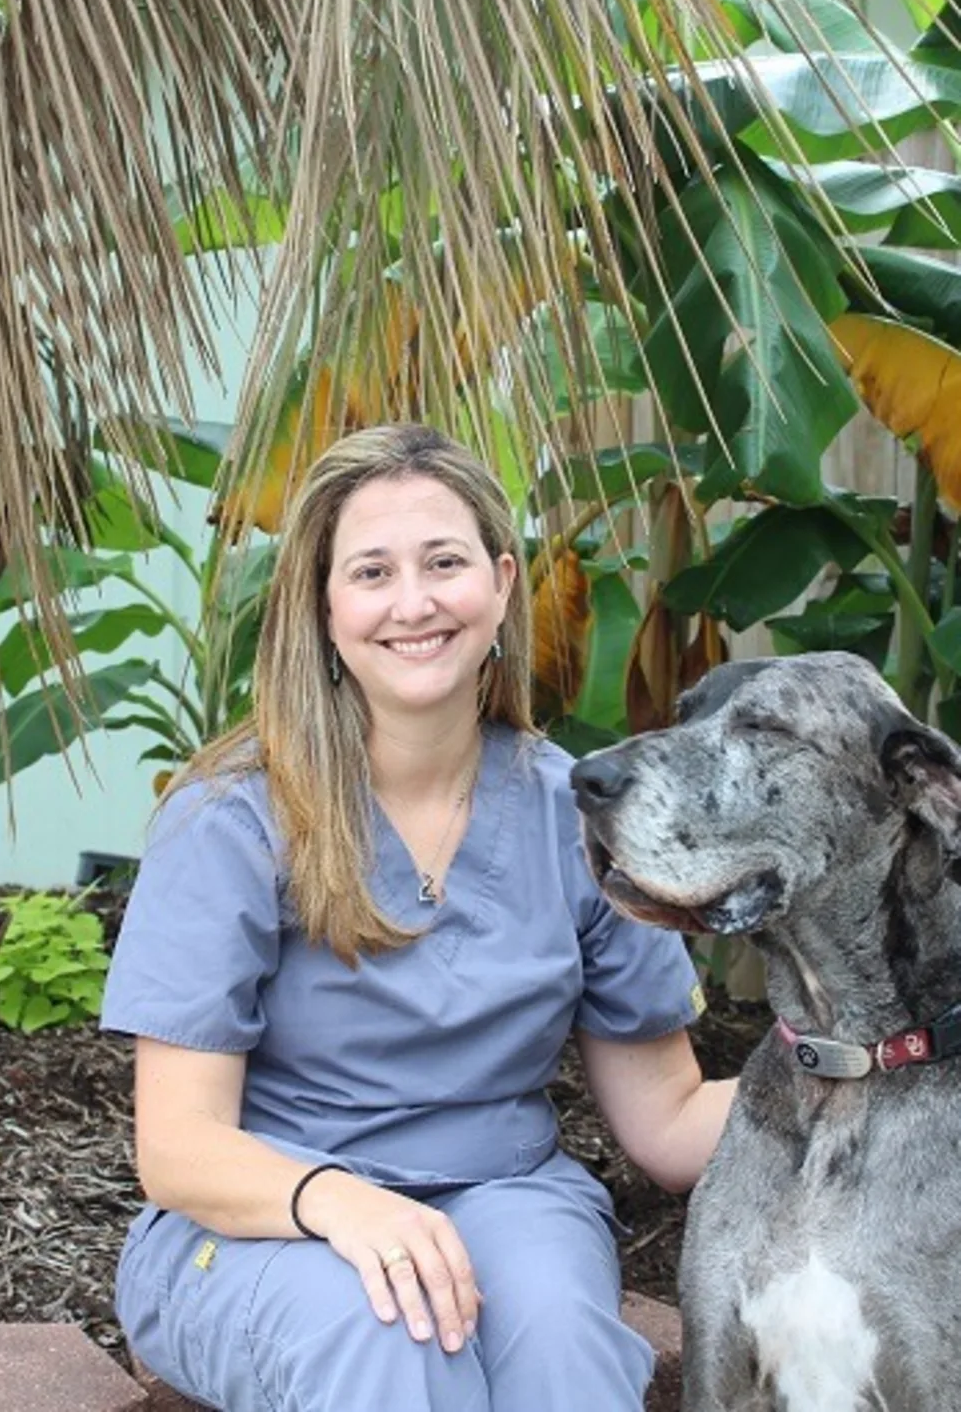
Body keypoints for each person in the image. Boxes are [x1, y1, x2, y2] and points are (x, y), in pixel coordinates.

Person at [101, 422, 734, 1412]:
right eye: (372, 571)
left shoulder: (578, 814)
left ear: (502, 581)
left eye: (444, 561)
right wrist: (341, 1203)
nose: (415, 602)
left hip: (507, 1196)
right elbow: (178, 1146)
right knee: (392, 1338)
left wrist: (866, 1059)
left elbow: (668, 1121)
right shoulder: (229, 821)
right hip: (264, 1219)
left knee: (565, 1348)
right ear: (324, 605)